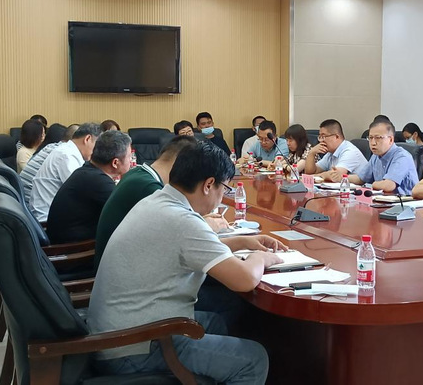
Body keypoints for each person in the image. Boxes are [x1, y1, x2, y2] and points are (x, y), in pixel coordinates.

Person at [88, 141, 287, 384]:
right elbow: (245, 279)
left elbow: (184, 247)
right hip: (133, 347)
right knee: (254, 360)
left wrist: (241, 242)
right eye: (224, 188)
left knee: (216, 322)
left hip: (119, 332)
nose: (222, 196)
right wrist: (261, 258)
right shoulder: (183, 220)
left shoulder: (158, 201)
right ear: (209, 185)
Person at [95, 135, 231, 267]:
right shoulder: (150, 189)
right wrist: (205, 225)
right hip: (126, 267)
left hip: (122, 263)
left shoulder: (139, 174)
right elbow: (179, 235)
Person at [47, 130, 132, 244]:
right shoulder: (99, 182)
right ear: (115, 163)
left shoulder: (87, 171)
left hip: (67, 240)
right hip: (75, 250)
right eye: (129, 156)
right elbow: (130, 214)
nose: (131, 161)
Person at [29, 122, 101, 222]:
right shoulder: (66, 155)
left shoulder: (68, 151)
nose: (96, 152)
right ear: (87, 139)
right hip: (47, 219)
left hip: (54, 214)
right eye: (96, 146)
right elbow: (84, 192)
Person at [348, 121, 418, 194]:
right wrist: (343, 178)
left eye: (378, 138)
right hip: (383, 198)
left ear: (390, 140)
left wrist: (372, 184)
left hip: (404, 200)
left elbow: (388, 186)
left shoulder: (402, 157)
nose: (373, 143)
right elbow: (360, 179)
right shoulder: (376, 156)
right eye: (370, 138)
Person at [21, 124, 78, 205]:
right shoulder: (65, 154)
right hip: (32, 202)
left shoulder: (51, 147)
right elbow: (76, 188)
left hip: (24, 200)